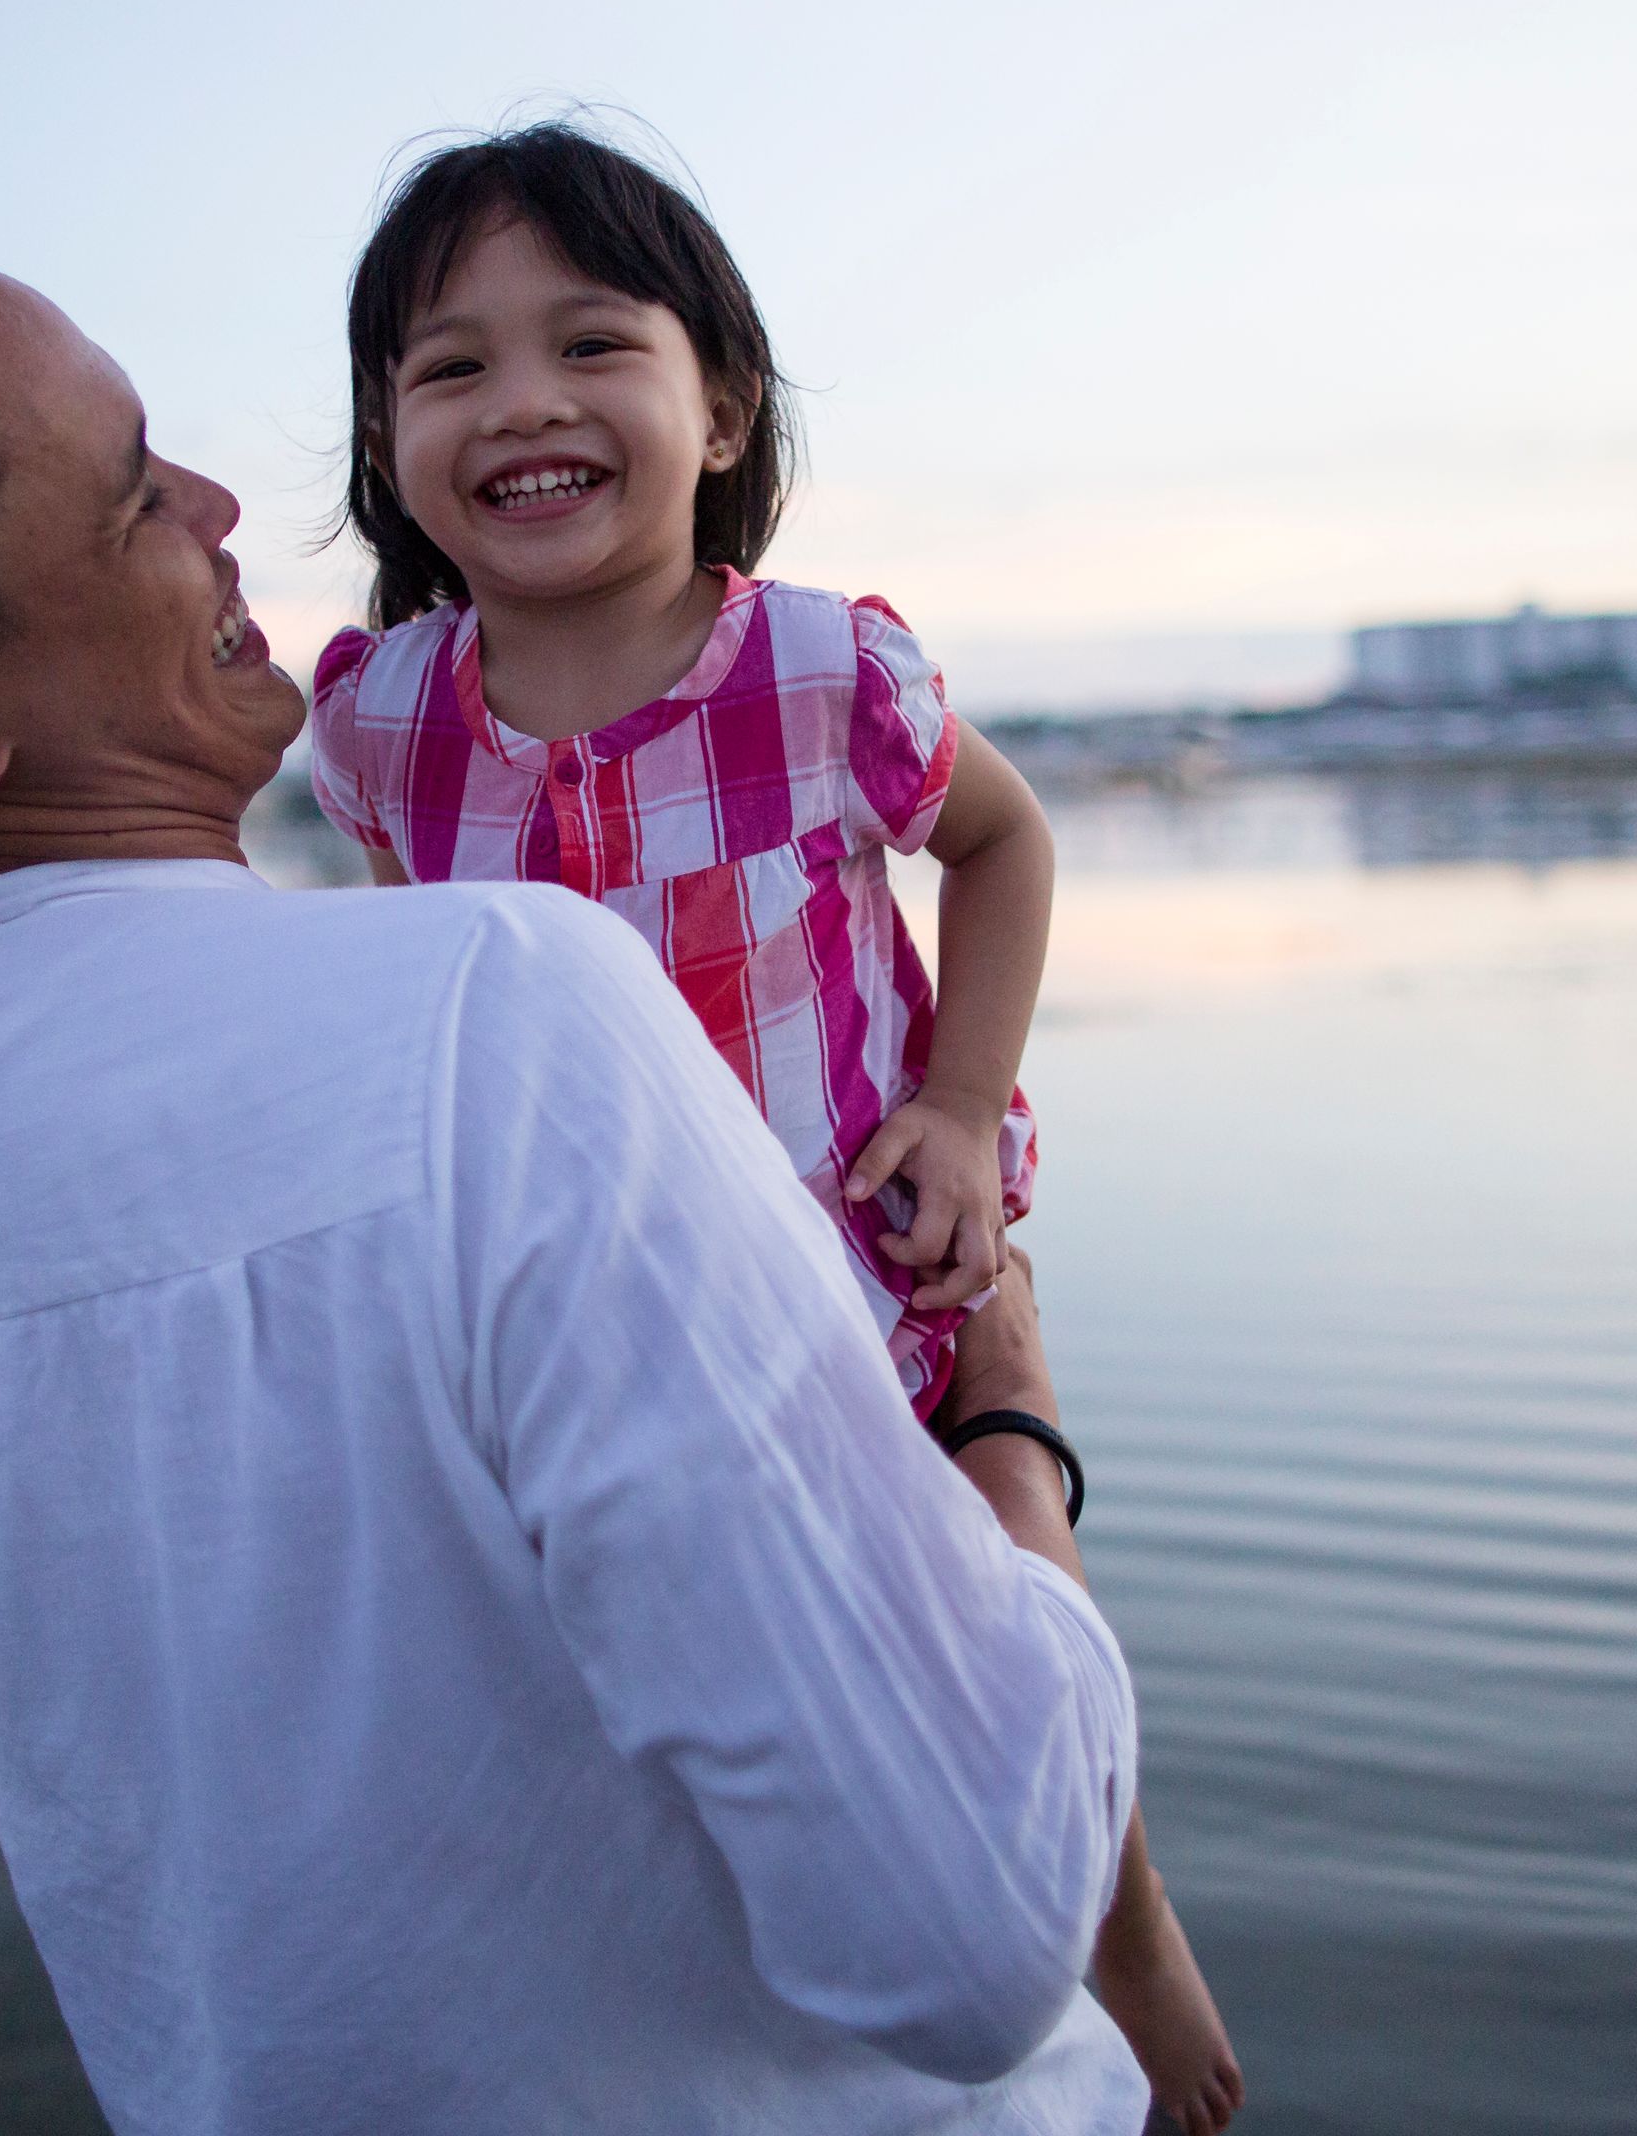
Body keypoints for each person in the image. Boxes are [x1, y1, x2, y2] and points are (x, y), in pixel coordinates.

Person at [0, 240, 1152, 2133]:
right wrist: (1010, 1416)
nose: (227, 508)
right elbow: (973, 1936)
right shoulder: (504, 1010)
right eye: (134, 487)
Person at [304, 125, 1241, 2134]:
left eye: (590, 343)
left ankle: (1133, 1938)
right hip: (588, 1319)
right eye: (448, 365)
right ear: (386, 442)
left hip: (853, 1256)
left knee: (1003, 1611)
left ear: (719, 403)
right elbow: (429, 968)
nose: (523, 402)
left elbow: (1003, 837)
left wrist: (964, 1111)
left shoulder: (818, 672)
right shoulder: (384, 719)